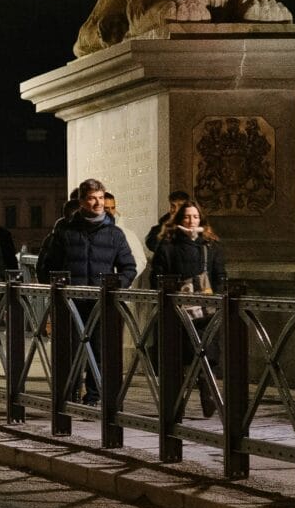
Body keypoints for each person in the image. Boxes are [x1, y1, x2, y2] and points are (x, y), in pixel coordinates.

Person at [38, 178, 136, 405]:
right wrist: (57, 289)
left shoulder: (115, 234)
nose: (98, 203)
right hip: (70, 301)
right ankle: (68, 394)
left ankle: (94, 396)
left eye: (101, 198)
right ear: (82, 201)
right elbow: (47, 264)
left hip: (100, 301)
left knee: (99, 350)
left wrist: (115, 285)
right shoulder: (65, 231)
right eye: (92, 198)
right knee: (69, 350)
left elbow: (128, 267)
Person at [147, 200, 224, 415]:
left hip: (206, 310)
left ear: (201, 219)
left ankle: (207, 392)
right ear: (179, 219)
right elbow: (157, 277)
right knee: (177, 357)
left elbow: (220, 275)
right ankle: (176, 402)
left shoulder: (210, 245)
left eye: (196, 217)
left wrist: (215, 296)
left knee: (207, 353)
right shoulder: (167, 245)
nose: (192, 221)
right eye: (187, 217)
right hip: (177, 310)